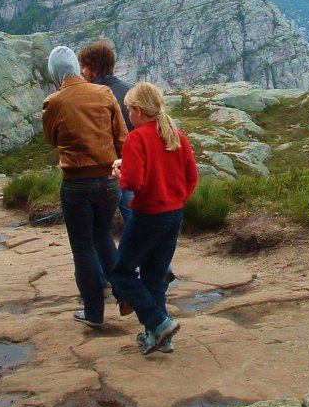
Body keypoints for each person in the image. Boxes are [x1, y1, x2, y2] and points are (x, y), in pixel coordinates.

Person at [41, 46, 128, 328]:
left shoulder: (54, 102)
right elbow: (122, 137)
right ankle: (125, 294)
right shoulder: (104, 94)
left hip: (76, 183)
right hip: (108, 181)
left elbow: (50, 139)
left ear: (55, 72)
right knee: (103, 238)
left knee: (82, 247)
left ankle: (94, 312)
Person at [109, 82, 198, 355]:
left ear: (136, 111)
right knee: (154, 276)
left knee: (121, 272)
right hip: (173, 216)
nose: (128, 115)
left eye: (128, 110)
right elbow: (191, 177)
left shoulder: (137, 138)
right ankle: (159, 337)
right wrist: (176, 200)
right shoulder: (175, 135)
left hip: (147, 215)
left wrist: (118, 175)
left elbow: (133, 181)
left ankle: (159, 322)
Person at [77, 40, 134, 224]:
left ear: (94, 67)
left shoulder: (90, 95)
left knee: (99, 229)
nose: (81, 72)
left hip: (102, 172)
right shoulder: (129, 91)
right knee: (133, 218)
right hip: (129, 166)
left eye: (84, 66)